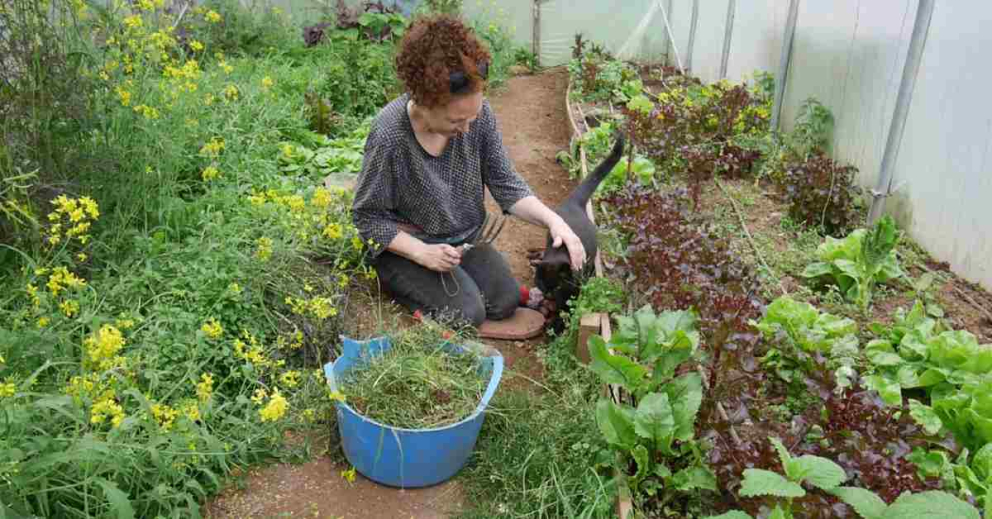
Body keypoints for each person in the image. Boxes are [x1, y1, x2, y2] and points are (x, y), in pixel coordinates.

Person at [351, 14, 586, 330]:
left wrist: (555, 222)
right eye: (455, 121)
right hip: (406, 247)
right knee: (468, 314)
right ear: (423, 101)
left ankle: (466, 286)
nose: (466, 129)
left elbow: (505, 183)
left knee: (503, 301)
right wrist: (421, 253)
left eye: (471, 118)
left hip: (464, 241)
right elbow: (367, 218)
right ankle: (403, 288)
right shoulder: (390, 135)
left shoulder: (478, 114)